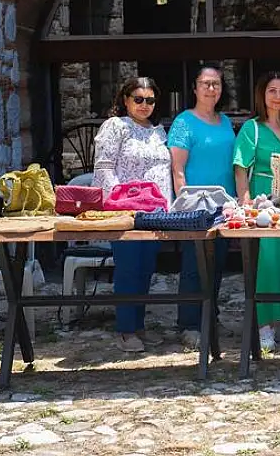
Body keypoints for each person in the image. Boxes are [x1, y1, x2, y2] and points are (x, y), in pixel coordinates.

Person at [93, 77, 173, 353]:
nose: (144, 105)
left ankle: (138, 325)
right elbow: (104, 168)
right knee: (128, 268)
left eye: (150, 100)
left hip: (155, 211)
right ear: (125, 100)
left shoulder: (157, 131)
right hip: (125, 210)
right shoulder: (115, 127)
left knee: (145, 268)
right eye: (138, 99)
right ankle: (125, 330)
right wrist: (117, 200)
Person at [233, 72, 280, 352]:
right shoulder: (252, 129)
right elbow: (241, 168)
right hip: (265, 201)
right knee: (268, 262)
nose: (278, 96)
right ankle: (263, 325)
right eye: (272, 91)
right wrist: (245, 202)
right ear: (262, 95)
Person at [169, 64, 235, 349]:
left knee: (217, 263)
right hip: (196, 207)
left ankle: (210, 315)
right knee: (194, 265)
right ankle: (189, 324)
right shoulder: (184, 122)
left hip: (223, 205)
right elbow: (178, 168)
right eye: (206, 83)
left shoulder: (226, 122)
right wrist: (185, 205)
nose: (211, 89)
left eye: (216, 84)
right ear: (195, 88)